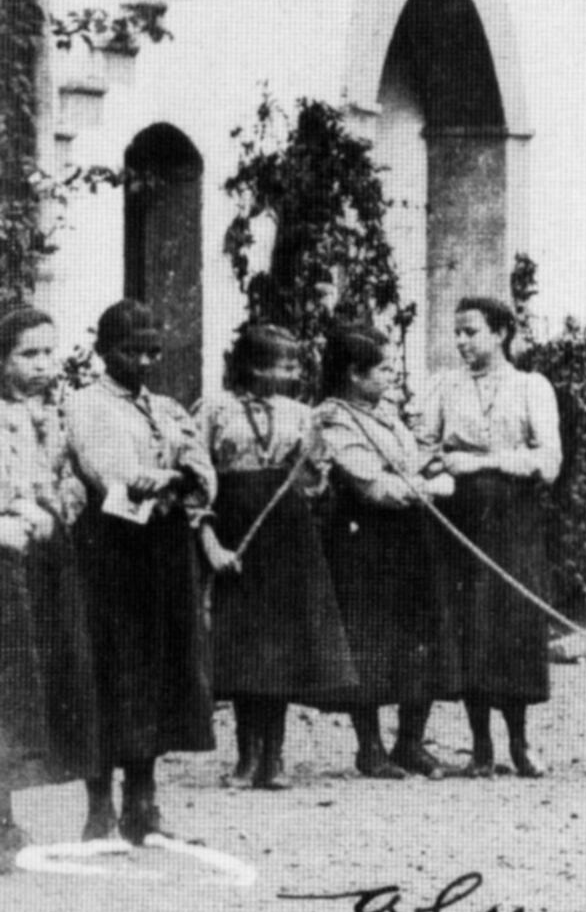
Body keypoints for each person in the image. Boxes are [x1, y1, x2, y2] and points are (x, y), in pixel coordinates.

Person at [60, 300, 219, 845]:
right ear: (105, 352)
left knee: (159, 670)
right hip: (112, 552)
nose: (146, 362)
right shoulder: (85, 406)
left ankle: (143, 802)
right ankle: (99, 805)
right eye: (133, 351)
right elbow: (114, 478)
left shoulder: (168, 407)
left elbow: (201, 470)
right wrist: (163, 477)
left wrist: (177, 477)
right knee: (111, 670)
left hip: (164, 551)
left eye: (154, 351)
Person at [197, 323, 354, 791]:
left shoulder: (302, 416)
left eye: (295, 364)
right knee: (247, 649)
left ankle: (275, 757)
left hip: (287, 537)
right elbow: (198, 476)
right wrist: (210, 542)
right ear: (251, 366)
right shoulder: (213, 410)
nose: (292, 373)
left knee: (282, 648)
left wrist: (313, 469)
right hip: (237, 529)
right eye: (284, 365)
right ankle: (247, 756)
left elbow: (313, 485)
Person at [412, 295, 560, 778]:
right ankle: (481, 747)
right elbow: (422, 447)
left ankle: (519, 742)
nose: (461, 341)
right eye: (456, 332)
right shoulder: (443, 386)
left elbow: (549, 461)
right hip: (459, 516)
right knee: (469, 624)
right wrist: (438, 462)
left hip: (512, 517)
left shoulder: (530, 387)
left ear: (500, 333)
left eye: (471, 332)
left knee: (512, 625)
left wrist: (486, 459)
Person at [316, 325, 461, 783]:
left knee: (421, 636)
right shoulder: (332, 419)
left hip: (411, 542)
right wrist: (433, 486)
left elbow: (414, 464)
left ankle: (411, 742)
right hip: (365, 546)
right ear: (353, 374)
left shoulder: (389, 415)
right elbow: (376, 487)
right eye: (383, 367)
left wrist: (425, 478)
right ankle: (370, 746)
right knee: (371, 639)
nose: (393, 373)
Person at [0, 307, 81, 858]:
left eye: (49, 353)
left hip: (41, 565)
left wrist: (60, 503)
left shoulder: (53, 417)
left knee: (28, 692)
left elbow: (69, 478)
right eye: (28, 354)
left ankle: (8, 819)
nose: (42, 365)